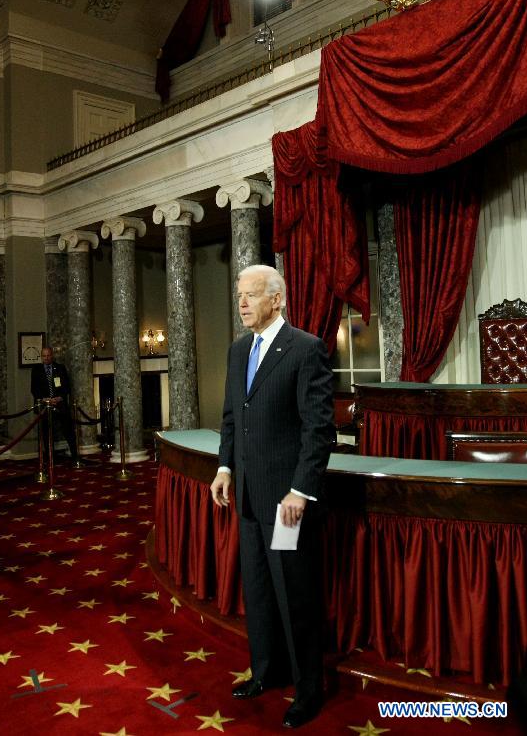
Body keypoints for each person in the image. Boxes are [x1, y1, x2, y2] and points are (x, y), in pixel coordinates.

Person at [210, 264, 334, 729]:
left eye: (250, 295)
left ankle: (308, 690)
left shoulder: (305, 349)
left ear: (276, 300)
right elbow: (230, 418)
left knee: (293, 595)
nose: (241, 303)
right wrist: (224, 467)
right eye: (239, 295)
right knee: (259, 592)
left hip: (286, 503)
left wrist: (300, 489)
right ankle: (266, 671)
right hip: (245, 496)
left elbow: (319, 430)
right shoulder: (238, 350)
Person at [30, 346, 77, 463]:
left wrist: (59, 398)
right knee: (46, 433)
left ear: (52, 355)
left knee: (68, 430)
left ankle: (75, 456)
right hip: (45, 405)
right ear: (41, 357)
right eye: (44, 356)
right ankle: (49, 458)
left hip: (60, 404)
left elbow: (66, 387)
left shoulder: (60, 368)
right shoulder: (36, 370)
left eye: (48, 355)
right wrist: (45, 399)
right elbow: (34, 389)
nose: (46, 358)